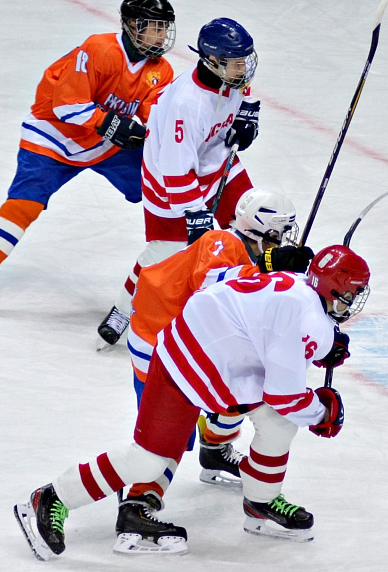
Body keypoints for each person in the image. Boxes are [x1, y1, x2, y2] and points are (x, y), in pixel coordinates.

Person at [14, 244, 369, 558]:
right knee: (149, 461)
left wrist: (318, 347)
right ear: (335, 288)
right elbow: (285, 395)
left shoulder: (293, 281)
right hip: (189, 366)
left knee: (278, 423)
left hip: (216, 359)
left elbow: (253, 315)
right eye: (351, 293)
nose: (352, 302)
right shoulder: (308, 319)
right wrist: (324, 413)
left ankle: (260, 503)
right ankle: (51, 497)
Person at [115, 187, 314, 553]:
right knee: (167, 438)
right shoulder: (222, 240)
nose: (285, 238)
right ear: (263, 229)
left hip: (192, 345)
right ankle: (137, 503)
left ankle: (216, 448)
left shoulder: (253, 253)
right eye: (280, 231)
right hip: (160, 343)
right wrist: (274, 266)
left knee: (247, 384)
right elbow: (213, 286)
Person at [0, 0, 175, 307]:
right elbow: (66, 107)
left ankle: (179, 272)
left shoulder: (160, 71)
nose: (164, 35)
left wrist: (167, 138)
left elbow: (155, 119)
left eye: (166, 27)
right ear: (134, 25)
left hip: (100, 141)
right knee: (24, 203)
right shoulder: (99, 49)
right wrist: (114, 125)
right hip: (52, 135)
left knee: (163, 189)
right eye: (156, 26)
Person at [97, 16, 261, 346]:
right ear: (212, 61)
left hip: (216, 163)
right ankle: (123, 308)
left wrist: (247, 119)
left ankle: (262, 301)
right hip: (170, 184)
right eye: (235, 62)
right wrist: (198, 218)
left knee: (257, 225)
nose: (243, 68)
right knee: (165, 253)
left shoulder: (229, 75)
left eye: (245, 60)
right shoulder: (188, 104)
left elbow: (244, 98)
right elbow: (175, 172)